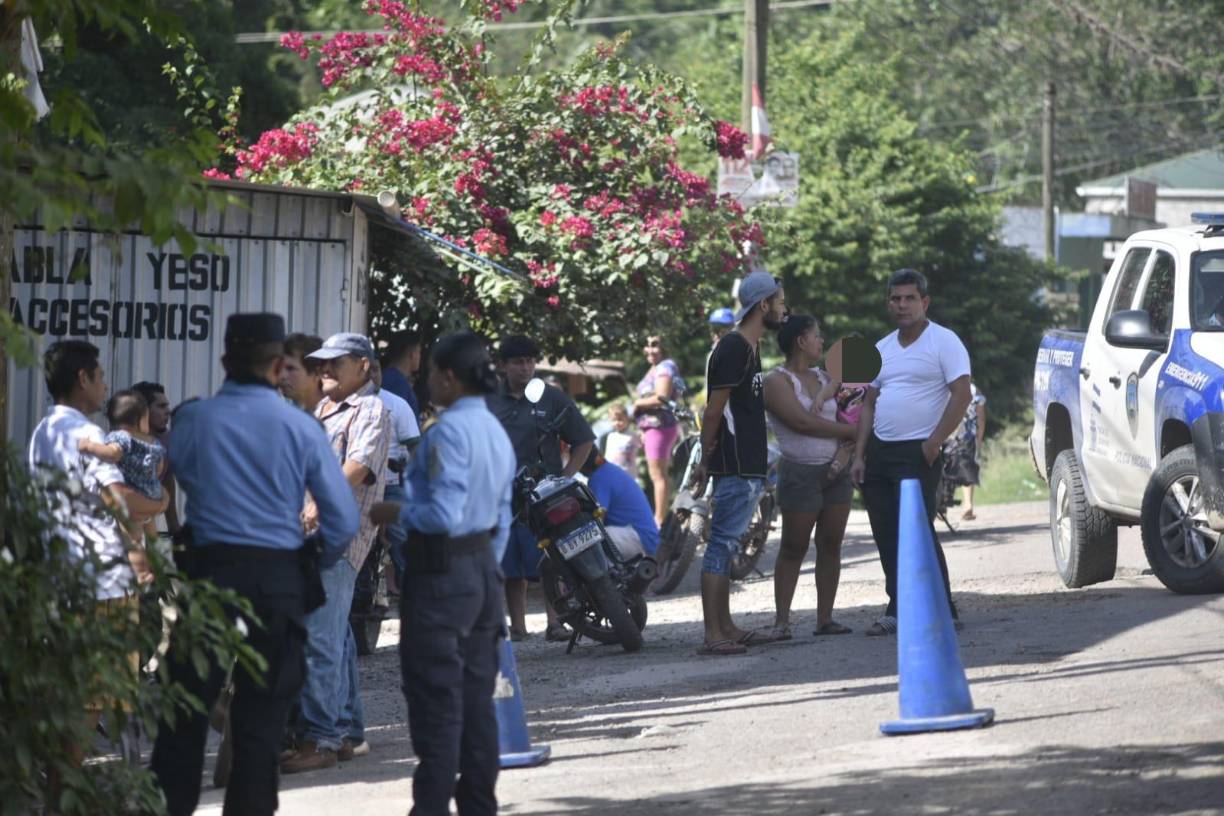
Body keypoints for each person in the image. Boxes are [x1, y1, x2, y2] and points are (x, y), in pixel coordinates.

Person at [149, 313, 358, 816]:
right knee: (261, 729)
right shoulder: (301, 427)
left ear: (225, 360)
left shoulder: (193, 419)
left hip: (209, 577)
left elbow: (182, 477)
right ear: (280, 365)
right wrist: (308, 558)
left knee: (184, 720)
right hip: (276, 582)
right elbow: (343, 520)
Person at [369, 331, 514, 816]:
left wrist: (394, 511)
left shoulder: (448, 433)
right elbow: (503, 514)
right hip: (482, 570)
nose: (426, 380)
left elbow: (443, 515)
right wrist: (484, 566)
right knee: (477, 704)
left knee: (436, 704)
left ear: (449, 377)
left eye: (431, 373)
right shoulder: (493, 428)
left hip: (441, 573)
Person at [27, 341, 164, 783]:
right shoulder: (89, 435)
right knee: (94, 695)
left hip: (64, 575)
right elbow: (120, 501)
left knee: (74, 690)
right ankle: (66, 793)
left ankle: (60, 788)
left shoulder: (44, 431)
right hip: (101, 582)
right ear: (83, 378)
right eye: (100, 376)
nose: (105, 385)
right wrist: (160, 504)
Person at [284, 332, 391, 773]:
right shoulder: (323, 409)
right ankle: (346, 731)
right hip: (307, 537)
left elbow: (358, 466)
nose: (325, 370)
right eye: (321, 363)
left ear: (363, 366)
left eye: (336, 363)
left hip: (338, 538)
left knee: (320, 639)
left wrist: (316, 501)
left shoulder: (371, 409)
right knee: (337, 637)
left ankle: (322, 739)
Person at [850, 268, 973, 637]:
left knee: (917, 530)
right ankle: (898, 608)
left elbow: (962, 394)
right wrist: (859, 455)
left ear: (925, 302)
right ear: (888, 303)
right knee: (886, 533)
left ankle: (943, 608)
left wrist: (935, 441)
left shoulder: (944, 341)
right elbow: (868, 404)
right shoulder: (882, 348)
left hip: (919, 451)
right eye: (896, 299)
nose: (902, 305)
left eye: (910, 298)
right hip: (879, 451)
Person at [689, 270, 788, 656]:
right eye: (779, 302)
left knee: (727, 545)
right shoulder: (732, 348)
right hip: (734, 465)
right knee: (719, 547)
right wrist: (703, 460)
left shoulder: (750, 346)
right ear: (763, 305)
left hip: (748, 464)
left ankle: (727, 627)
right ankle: (713, 634)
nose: (784, 309)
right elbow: (713, 411)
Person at [487, 334, 595, 642]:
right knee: (509, 565)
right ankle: (518, 627)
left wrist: (566, 478)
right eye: (517, 362)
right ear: (503, 366)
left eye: (530, 361)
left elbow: (584, 440)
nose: (525, 368)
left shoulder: (551, 397)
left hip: (546, 495)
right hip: (502, 495)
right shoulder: (488, 401)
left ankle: (556, 622)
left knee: (552, 559)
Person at [762, 315, 859, 640]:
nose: (822, 341)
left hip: (836, 471)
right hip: (800, 473)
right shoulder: (775, 381)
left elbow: (852, 408)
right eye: (817, 335)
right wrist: (851, 432)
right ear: (800, 341)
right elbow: (801, 423)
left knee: (831, 544)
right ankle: (781, 622)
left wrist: (851, 436)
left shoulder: (826, 377)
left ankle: (825, 618)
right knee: (794, 546)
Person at [78, 389, 167, 545]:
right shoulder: (153, 442)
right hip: (151, 494)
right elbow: (159, 467)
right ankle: (155, 555)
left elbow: (112, 453)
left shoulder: (121, 437)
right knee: (152, 535)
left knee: (132, 537)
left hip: (132, 496)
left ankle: (138, 559)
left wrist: (89, 446)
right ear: (141, 420)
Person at [371, 357, 421, 578]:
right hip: (358, 486)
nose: (372, 376)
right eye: (366, 370)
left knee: (401, 540)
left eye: (376, 369)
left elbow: (415, 449)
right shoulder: (344, 403)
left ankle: (413, 586)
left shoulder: (397, 405)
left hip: (391, 486)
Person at [632, 335, 684, 528]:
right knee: (659, 475)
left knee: (658, 476)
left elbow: (661, 397)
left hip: (660, 426)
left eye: (655, 345)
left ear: (664, 347)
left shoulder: (665, 367)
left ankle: (659, 522)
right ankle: (662, 518)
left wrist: (638, 403)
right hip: (653, 428)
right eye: (647, 345)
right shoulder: (656, 367)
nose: (650, 349)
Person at [579, 448, 659, 557]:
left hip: (639, 537)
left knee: (586, 541)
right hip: (644, 537)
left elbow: (598, 520)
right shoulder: (609, 470)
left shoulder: (599, 477)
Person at [132, 380, 180, 535]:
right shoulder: (129, 442)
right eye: (161, 406)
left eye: (167, 406)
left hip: (148, 516)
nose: (168, 411)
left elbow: (167, 477)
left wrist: (173, 524)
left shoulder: (167, 439)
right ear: (143, 410)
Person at [950, 380, 987, 521]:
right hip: (968, 435)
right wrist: (979, 438)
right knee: (968, 468)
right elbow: (981, 418)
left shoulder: (942, 387)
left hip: (946, 434)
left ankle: (942, 507)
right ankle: (968, 504)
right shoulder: (973, 389)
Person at [381, 328, 423, 418]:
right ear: (412, 354)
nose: (420, 356)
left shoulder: (390, 377)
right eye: (419, 352)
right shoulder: (396, 383)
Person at [280, 333, 325, 413]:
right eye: (279, 368)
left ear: (317, 373)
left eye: (290, 369)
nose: (281, 375)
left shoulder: (338, 417)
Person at [603, 403, 642, 477]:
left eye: (620, 419)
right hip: (614, 472)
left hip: (630, 472)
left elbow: (641, 446)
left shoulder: (633, 435)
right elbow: (608, 455)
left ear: (627, 419)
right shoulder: (611, 436)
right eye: (613, 420)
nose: (617, 423)